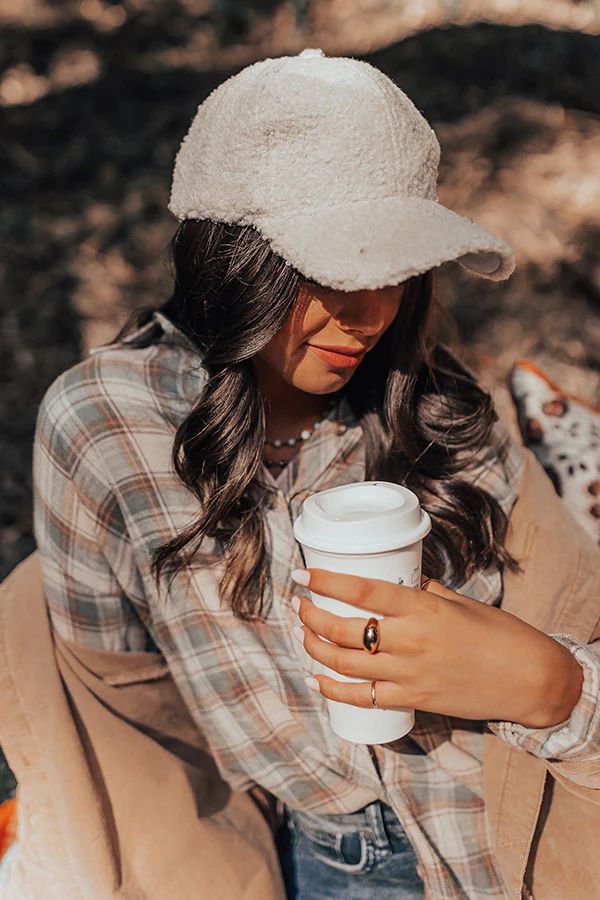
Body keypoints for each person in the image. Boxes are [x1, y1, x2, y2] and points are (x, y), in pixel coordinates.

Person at [23, 48, 600, 899]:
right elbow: (124, 724)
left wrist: (552, 688)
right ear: (232, 258)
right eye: (330, 267)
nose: (371, 312)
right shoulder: (104, 427)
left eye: (394, 266)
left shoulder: (440, 411)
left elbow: (577, 640)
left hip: (522, 842)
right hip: (323, 864)